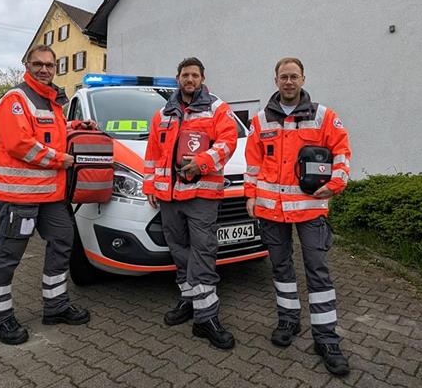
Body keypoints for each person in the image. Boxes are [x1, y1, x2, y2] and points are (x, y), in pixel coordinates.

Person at [244, 57, 352, 376]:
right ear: (275, 81)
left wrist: (336, 183)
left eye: (294, 76)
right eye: (283, 77)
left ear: (303, 79)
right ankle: (288, 320)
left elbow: (342, 151)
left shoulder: (323, 116)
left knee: (317, 271)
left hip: (309, 209)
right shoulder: (261, 120)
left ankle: (326, 339)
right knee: (280, 267)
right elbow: (253, 163)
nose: (288, 82)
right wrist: (250, 196)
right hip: (270, 209)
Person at [0, 44, 96, 345]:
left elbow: (51, 134)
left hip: (50, 196)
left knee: (63, 240)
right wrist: (63, 160)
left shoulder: (52, 103)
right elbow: (20, 143)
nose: (44, 69)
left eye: (49, 65)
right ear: (27, 65)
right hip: (17, 197)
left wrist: (76, 125)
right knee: (8, 255)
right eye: (38, 64)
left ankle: (56, 306)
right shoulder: (16, 99)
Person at [143, 57, 238, 349]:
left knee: (203, 251)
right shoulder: (163, 114)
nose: (190, 79)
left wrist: (201, 163)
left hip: (201, 195)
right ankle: (189, 300)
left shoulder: (217, 109)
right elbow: (153, 152)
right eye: (185, 75)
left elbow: (228, 142)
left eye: (195, 75)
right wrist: (150, 184)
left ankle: (206, 317)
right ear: (178, 78)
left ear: (202, 78)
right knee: (179, 249)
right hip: (169, 196)